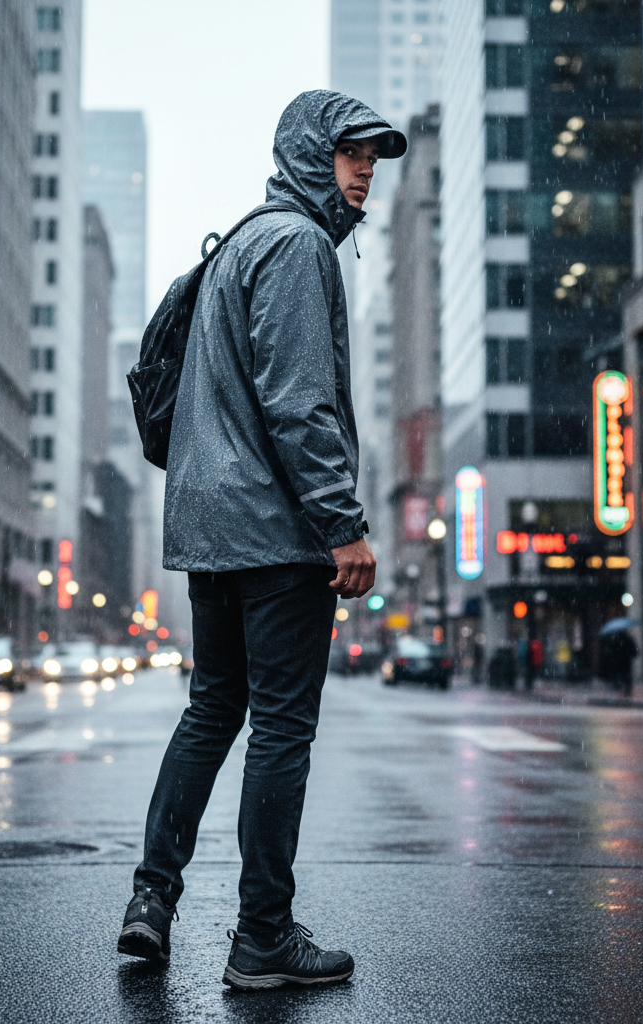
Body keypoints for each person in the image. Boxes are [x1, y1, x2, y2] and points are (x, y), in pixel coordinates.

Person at [116, 91, 406, 990]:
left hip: (211, 527)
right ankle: (263, 940)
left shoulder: (241, 240)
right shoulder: (295, 243)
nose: (365, 170)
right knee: (281, 727)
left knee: (212, 712)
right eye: (352, 152)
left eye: (373, 157)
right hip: (274, 536)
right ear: (311, 152)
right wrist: (343, 525)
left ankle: (150, 905)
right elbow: (296, 402)